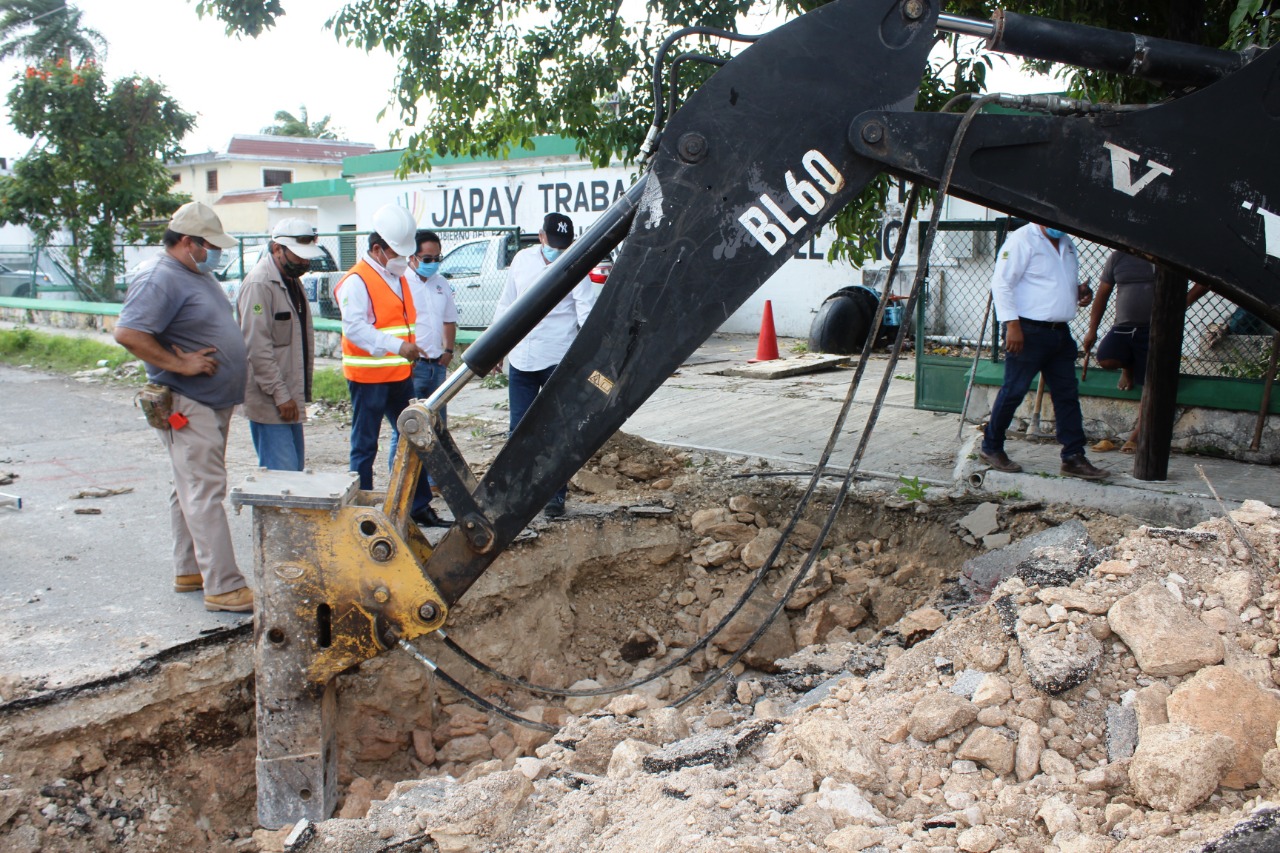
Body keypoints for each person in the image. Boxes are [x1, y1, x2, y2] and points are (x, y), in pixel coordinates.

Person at [114, 202, 253, 612]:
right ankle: (223, 586)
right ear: (189, 242)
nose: (217, 253)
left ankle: (190, 569)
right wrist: (179, 364)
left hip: (209, 400)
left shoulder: (194, 272)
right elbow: (128, 333)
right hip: (188, 402)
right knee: (203, 489)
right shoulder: (160, 277)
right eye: (211, 245)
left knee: (188, 486)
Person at [333, 203, 438, 525]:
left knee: (414, 437)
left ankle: (419, 506)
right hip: (368, 377)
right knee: (364, 446)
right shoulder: (356, 281)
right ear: (377, 248)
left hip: (399, 374)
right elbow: (356, 329)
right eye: (396, 252)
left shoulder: (398, 276)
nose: (403, 260)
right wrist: (398, 345)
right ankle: (360, 511)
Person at [979, 223, 1108, 481]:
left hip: (1059, 332)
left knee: (1067, 395)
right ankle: (991, 447)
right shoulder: (1023, 239)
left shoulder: (1067, 242)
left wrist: (1079, 293)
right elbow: (1001, 283)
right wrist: (1012, 324)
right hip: (1027, 330)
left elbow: (1052, 284)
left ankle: (1073, 456)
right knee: (1013, 390)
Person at [493, 212, 597, 517]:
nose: (558, 250)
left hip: (557, 358)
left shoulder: (576, 262)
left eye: (563, 246)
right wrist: (497, 346)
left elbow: (585, 309)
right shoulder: (523, 261)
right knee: (518, 429)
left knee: (556, 430)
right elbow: (506, 303)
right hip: (522, 360)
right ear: (541, 237)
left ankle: (554, 495)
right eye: (553, 244)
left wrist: (585, 356)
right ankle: (517, 494)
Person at [1081, 251, 1207, 454]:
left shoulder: (1171, 254)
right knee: (1105, 357)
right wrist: (1092, 330)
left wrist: (1180, 304)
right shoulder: (1118, 256)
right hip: (1123, 327)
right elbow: (1103, 294)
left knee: (1152, 385)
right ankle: (1128, 367)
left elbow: (1205, 280)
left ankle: (1136, 436)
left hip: (1156, 328)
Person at [388, 229, 459, 525]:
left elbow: (449, 319)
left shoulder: (441, 285)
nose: (432, 262)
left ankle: (428, 489)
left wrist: (448, 350)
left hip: (436, 366)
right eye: (427, 258)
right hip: (413, 366)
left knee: (435, 428)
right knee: (406, 428)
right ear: (413, 257)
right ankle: (399, 490)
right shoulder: (402, 283)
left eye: (437, 257)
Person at [237, 219, 320, 470]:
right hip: (272, 399)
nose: (304, 263)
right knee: (281, 479)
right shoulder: (259, 285)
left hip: (288, 397)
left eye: (307, 257)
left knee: (293, 473)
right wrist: (281, 395)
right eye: (298, 256)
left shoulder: (291, 280)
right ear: (276, 249)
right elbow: (257, 348)